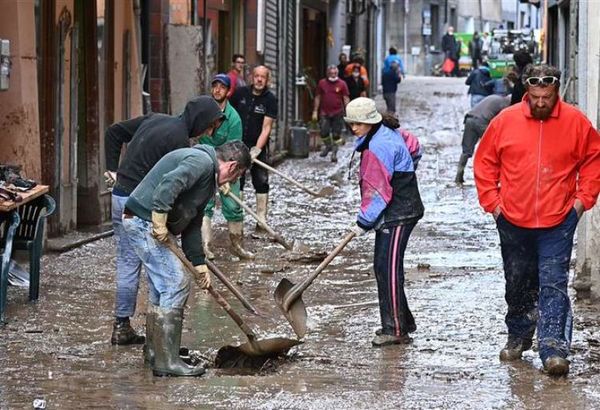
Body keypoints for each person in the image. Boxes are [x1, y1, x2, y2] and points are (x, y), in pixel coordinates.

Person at [474, 64, 600, 377]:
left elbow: (593, 161)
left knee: (554, 282)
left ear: (555, 91)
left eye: (546, 96)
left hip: (558, 219)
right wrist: (493, 203)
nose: (541, 102)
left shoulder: (575, 121)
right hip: (513, 219)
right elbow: (485, 161)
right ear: (527, 92)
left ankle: (554, 348)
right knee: (518, 281)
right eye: (535, 96)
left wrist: (582, 202)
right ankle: (519, 335)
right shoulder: (505, 121)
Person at [122, 141, 251, 377]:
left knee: (161, 287)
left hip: (142, 220)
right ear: (232, 166)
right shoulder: (200, 162)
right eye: (236, 176)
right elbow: (169, 184)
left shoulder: (206, 178)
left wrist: (199, 263)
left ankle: (156, 352)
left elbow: (192, 224)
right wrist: (159, 216)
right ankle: (167, 361)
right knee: (176, 283)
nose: (232, 183)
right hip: (143, 220)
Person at [104, 96, 224, 346]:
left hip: (119, 197)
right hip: (142, 206)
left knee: (128, 263)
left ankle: (122, 325)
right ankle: (158, 341)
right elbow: (171, 189)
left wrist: (112, 170)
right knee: (162, 271)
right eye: (210, 126)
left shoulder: (155, 118)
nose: (208, 132)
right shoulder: (180, 142)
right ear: (200, 120)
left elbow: (114, 132)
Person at [343, 97, 424, 347]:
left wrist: (363, 222)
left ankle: (396, 329)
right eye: (351, 123)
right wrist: (406, 167)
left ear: (370, 122)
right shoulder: (387, 133)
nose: (354, 128)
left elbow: (377, 191)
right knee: (383, 266)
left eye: (358, 123)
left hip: (399, 212)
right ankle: (402, 321)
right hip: (395, 210)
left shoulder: (378, 147)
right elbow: (414, 147)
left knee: (387, 268)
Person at [198, 74, 254, 260]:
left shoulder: (234, 118)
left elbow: (235, 152)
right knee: (205, 204)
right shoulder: (205, 112)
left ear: (228, 91)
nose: (217, 90)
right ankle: (205, 245)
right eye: (214, 86)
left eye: (222, 87)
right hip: (205, 162)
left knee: (233, 205)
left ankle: (236, 244)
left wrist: (228, 178)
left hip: (228, 165)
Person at [230, 65, 278, 231]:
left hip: (258, 146)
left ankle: (261, 218)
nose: (259, 79)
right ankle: (237, 217)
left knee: (261, 180)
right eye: (256, 76)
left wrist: (257, 150)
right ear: (252, 77)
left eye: (262, 77)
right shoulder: (240, 94)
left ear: (267, 80)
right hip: (237, 146)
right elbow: (229, 116)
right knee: (237, 180)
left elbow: (266, 128)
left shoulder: (270, 99)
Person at [454, 93, 510, 185]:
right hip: (482, 122)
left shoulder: (494, 97)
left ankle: (458, 176)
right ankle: (491, 177)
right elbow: (502, 121)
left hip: (469, 119)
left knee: (466, 151)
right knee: (494, 149)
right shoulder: (505, 104)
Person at [312, 65, 350, 163]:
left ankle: (334, 153)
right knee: (324, 132)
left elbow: (345, 98)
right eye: (331, 73)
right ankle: (328, 146)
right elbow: (318, 97)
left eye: (335, 73)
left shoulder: (342, 84)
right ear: (327, 73)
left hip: (337, 112)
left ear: (337, 73)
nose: (333, 75)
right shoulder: (322, 83)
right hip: (325, 112)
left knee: (336, 135)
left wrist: (349, 111)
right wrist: (315, 111)